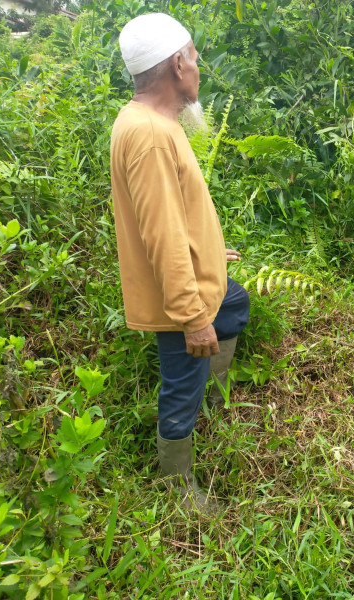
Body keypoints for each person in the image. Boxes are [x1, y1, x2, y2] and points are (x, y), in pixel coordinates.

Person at [110, 13, 249, 508]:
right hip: (177, 298)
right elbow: (163, 235)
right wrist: (192, 318)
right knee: (181, 385)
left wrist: (208, 249)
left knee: (234, 302)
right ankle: (178, 491)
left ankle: (217, 396)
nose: (198, 68)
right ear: (176, 65)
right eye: (194, 57)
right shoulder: (150, 135)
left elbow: (173, 214)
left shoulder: (151, 122)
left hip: (194, 277)